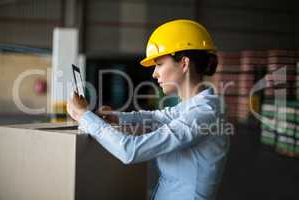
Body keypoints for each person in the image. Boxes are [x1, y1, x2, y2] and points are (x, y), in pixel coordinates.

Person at [67, 19, 230, 200]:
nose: (154, 73)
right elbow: (156, 117)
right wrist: (115, 117)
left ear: (184, 63)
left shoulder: (204, 113)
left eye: (159, 64)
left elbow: (131, 151)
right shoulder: (189, 108)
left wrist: (85, 116)